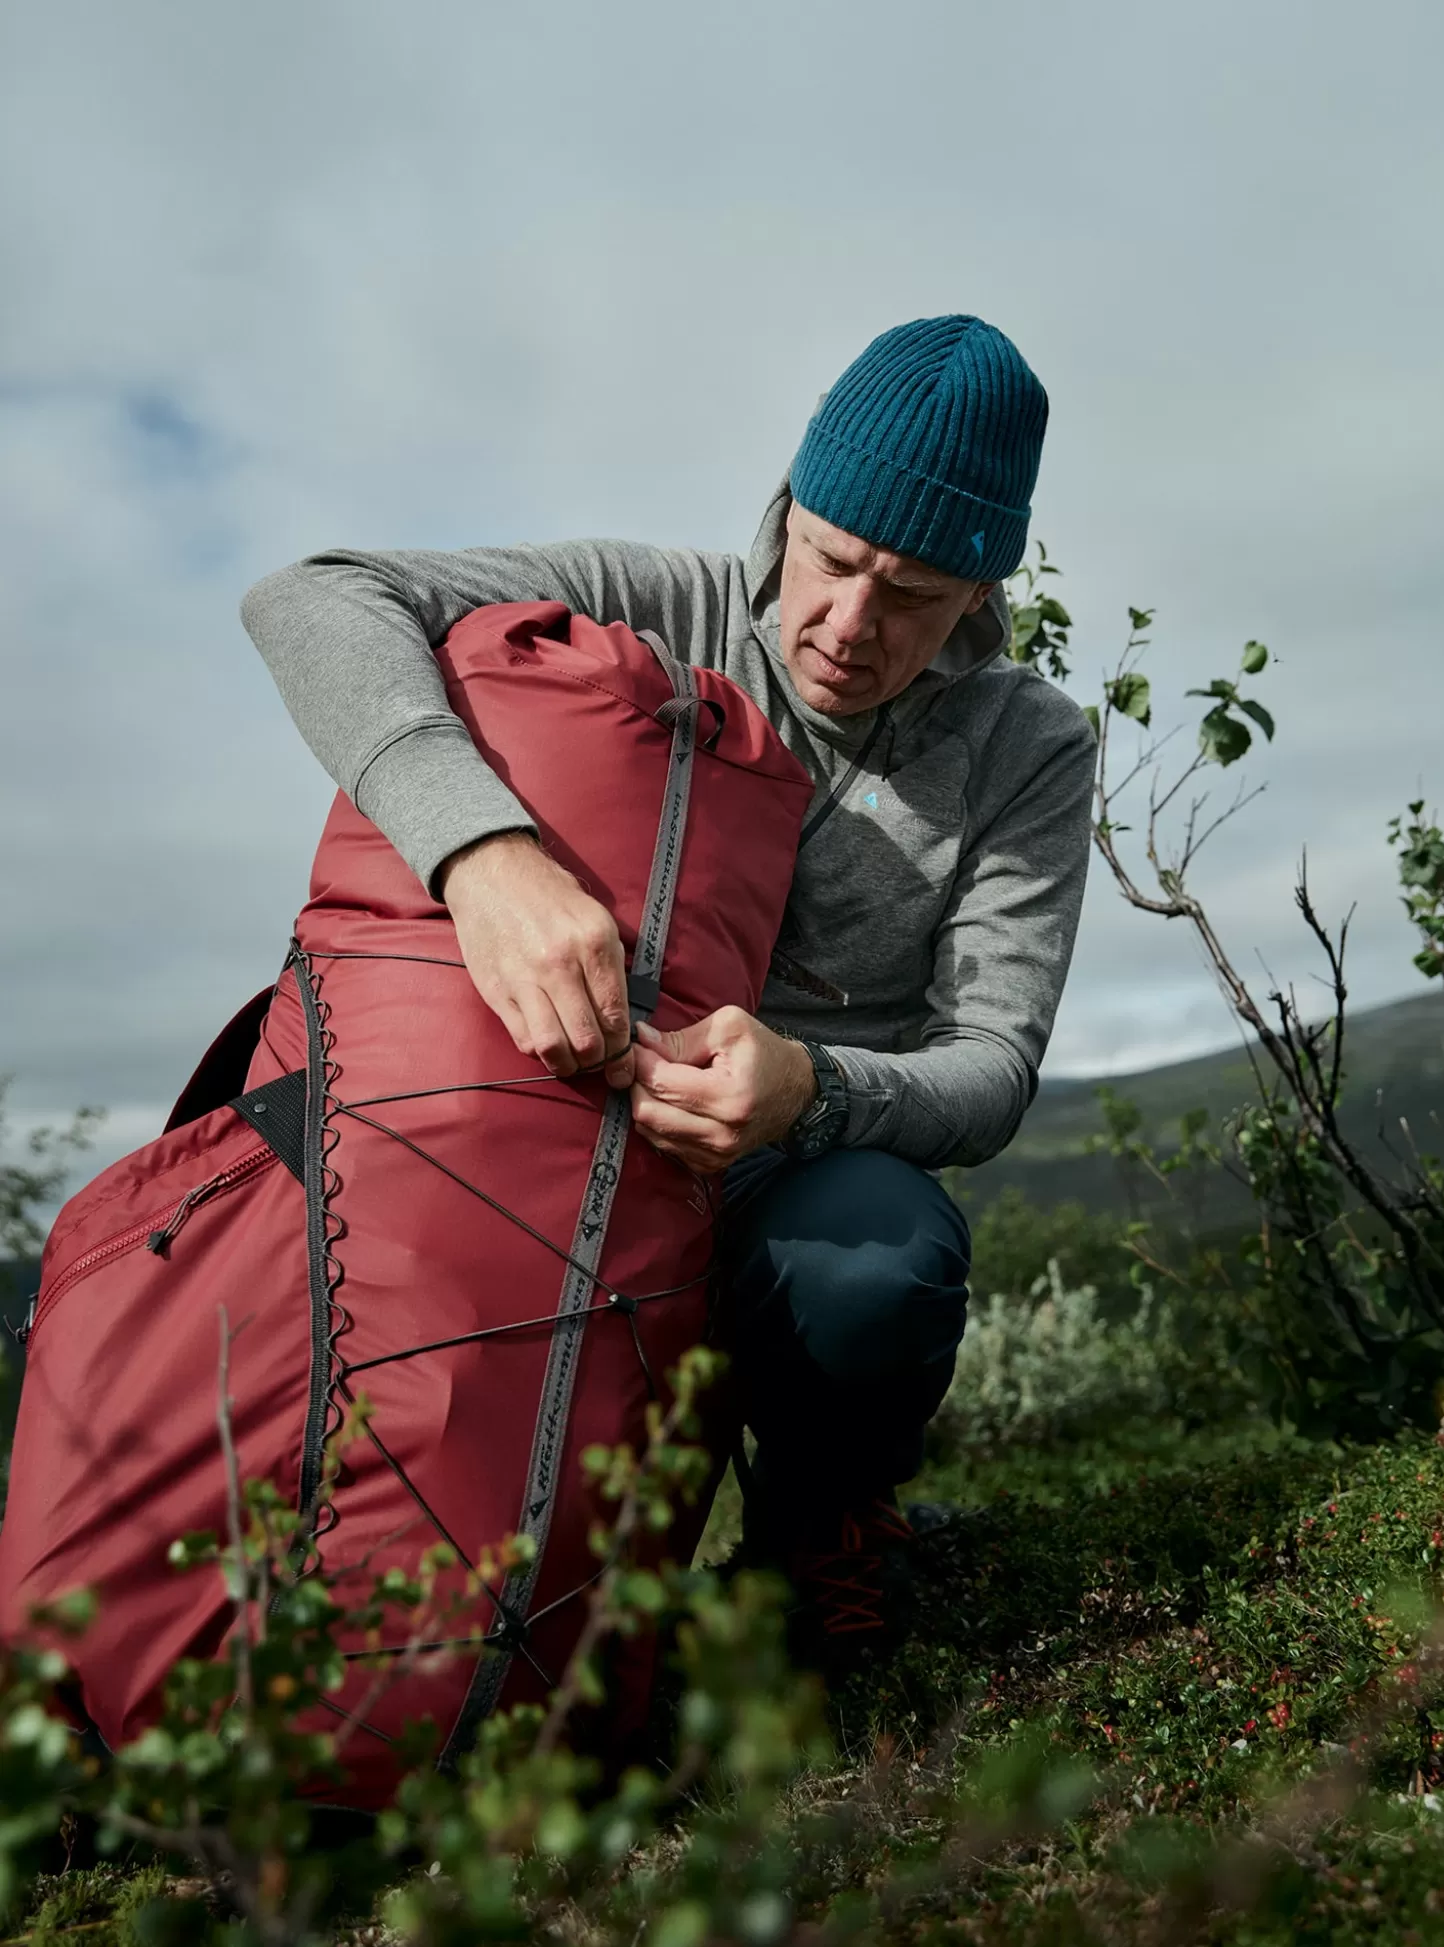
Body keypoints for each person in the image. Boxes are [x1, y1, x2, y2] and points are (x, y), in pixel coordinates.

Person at [241, 315, 1097, 1661]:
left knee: (880, 1259)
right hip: (537, 1136)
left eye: (916, 595)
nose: (847, 627)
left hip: (782, 1175)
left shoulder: (1029, 746)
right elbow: (313, 597)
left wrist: (811, 1090)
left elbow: (990, 1066)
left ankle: (819, 1531)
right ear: (788, 509)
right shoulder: (658, 603)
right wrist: (484, 854)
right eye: (832, 560)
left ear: (984, 592)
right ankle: (404, 1610)